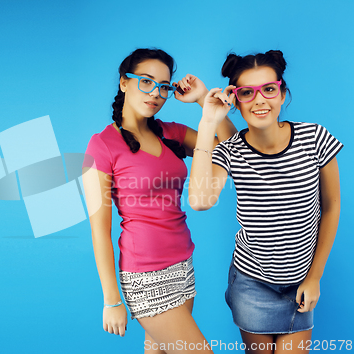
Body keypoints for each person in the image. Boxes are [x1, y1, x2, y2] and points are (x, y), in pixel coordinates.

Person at [82, 48, 237, 354]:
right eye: (146, 82)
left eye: (164, 86)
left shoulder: (171, 133)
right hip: (145, 274)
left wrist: (200, 99)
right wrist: (111, 299)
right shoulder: (101, 145)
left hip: (183, 263)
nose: (156, 93)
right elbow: (99, 229)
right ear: (124, 82)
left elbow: (232, 146)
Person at [188, 50, 342, 354]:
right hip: (252, 283)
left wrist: (315, 277)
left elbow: (332, 206)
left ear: (282, 93)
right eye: (247, 93)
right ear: (236, 100)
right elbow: (200, 201)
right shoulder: (230, 151)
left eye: (268, 89)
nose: (260, 100)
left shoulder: (315, 139)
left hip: (300, 282)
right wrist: (207, 121)